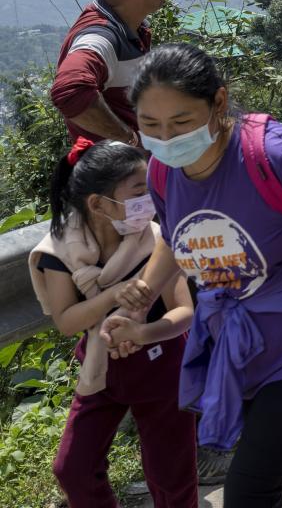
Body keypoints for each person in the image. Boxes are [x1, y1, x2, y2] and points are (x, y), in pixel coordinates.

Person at [107, 43, 282, 507]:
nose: (167, 137)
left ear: (219, 103)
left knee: (250, 490)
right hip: (242, 352)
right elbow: (176, 236)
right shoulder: (162, 171)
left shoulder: (278, 154)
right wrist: (141, 293)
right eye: (151, 125)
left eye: (181, 123)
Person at [29, 138, 197, 508]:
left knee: (171, 474)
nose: (150, 200)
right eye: (139, 191)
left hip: (162, 364)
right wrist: (116, 294)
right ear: (98, 204)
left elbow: (184, 312)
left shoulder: (155, 239)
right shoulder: (60, 251)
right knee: (72, 469)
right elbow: (67, 321)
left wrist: (143, 332)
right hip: (100, 369)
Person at [52, 0, 187, 145]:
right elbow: (69, 92)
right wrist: (129, 139)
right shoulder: (101, 38)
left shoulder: (129, 27)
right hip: (118, 173)